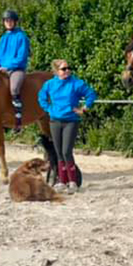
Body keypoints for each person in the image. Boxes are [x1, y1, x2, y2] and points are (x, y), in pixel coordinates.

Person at [38, 59, 97, 194]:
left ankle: (73, 182)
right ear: (56, 71)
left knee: (66, 151)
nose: (67, 71)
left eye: (68, 68)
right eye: (64, 69)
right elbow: (41, 96)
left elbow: (91, 94)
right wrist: (48, 109)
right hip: (54, 121)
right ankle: (62, 181)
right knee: (58, 153)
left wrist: (84, 108)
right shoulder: (50, 84)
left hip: (71, 121)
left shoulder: (76, 83)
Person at [0, 9, 31, 132]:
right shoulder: (3, 38)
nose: (8, 23)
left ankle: (18, 118)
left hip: (16, 69)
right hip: (1, 69)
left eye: (11, 21)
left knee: (14, 88)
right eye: (6, 21)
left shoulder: (22, 37)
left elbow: (21, 57)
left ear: (15, 22)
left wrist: (7, 67)